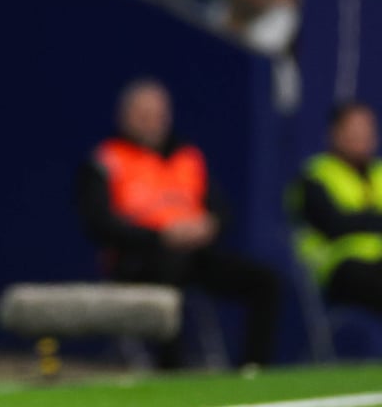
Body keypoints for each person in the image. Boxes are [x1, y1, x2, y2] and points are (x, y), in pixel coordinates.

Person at [76, 79, 281, 368]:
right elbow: (99, 224)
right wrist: (160, 236)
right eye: (143, 115)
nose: (152, 123)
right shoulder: (106, 161)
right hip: (137, 260)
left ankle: (253, 369)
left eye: (158, 115)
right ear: (124, 117)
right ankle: (172, 369)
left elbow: (221, 210)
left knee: (267, 281)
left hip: (195, 254)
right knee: (170, 269)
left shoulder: (187, 157)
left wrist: (209, 225)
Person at [290, 101, 382, 315]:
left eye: (367, 128)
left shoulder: (379, 173)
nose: (362, 135)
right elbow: (334, 224)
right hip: (341, 268)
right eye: (354, 128)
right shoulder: (316, 175)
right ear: (335, 133)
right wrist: (373, 220)